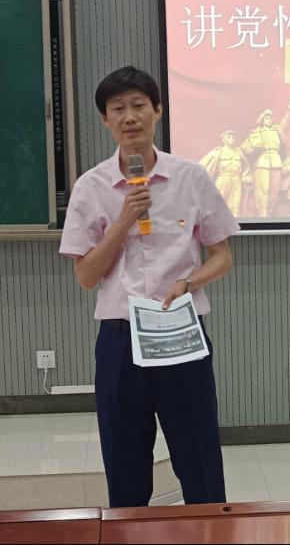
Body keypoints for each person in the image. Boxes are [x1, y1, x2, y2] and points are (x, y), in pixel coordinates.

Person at [59, 66, 240, 508]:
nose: (130, 117)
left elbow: (222, 256)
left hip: (181, 332)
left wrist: (188, 281)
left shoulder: (190, 178)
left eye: (139, 105)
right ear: (105, 120)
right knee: (124, 463)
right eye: (118, 108)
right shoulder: (91, 186)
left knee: (199, 458)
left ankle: (210, 533)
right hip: (120, 340)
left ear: (157, 110)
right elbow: (86, 277)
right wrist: (122, 221)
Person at [240, 95, 290, 217]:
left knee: (274, 191)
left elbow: (286, 121)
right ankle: (262, 214)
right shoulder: (256, 132)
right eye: (266, 118)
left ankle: (269, 213)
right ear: (262, 120)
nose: (269, 120)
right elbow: (244, 147)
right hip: (262, 162)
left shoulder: (277, 130)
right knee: (262, 190)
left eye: (270, 118)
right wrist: (253, 150)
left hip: (276, 162)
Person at [198, 129, 249, 216]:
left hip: (236, 180)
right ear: (223, 140)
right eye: (229, 137)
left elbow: (245, 165)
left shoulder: (239, 152)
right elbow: (201, 165)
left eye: (233, 137)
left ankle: (235, 222)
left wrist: (246, 175)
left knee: (236, 205)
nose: (232, 139)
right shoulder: (216, 152)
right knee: (218, 203)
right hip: (223, 179)